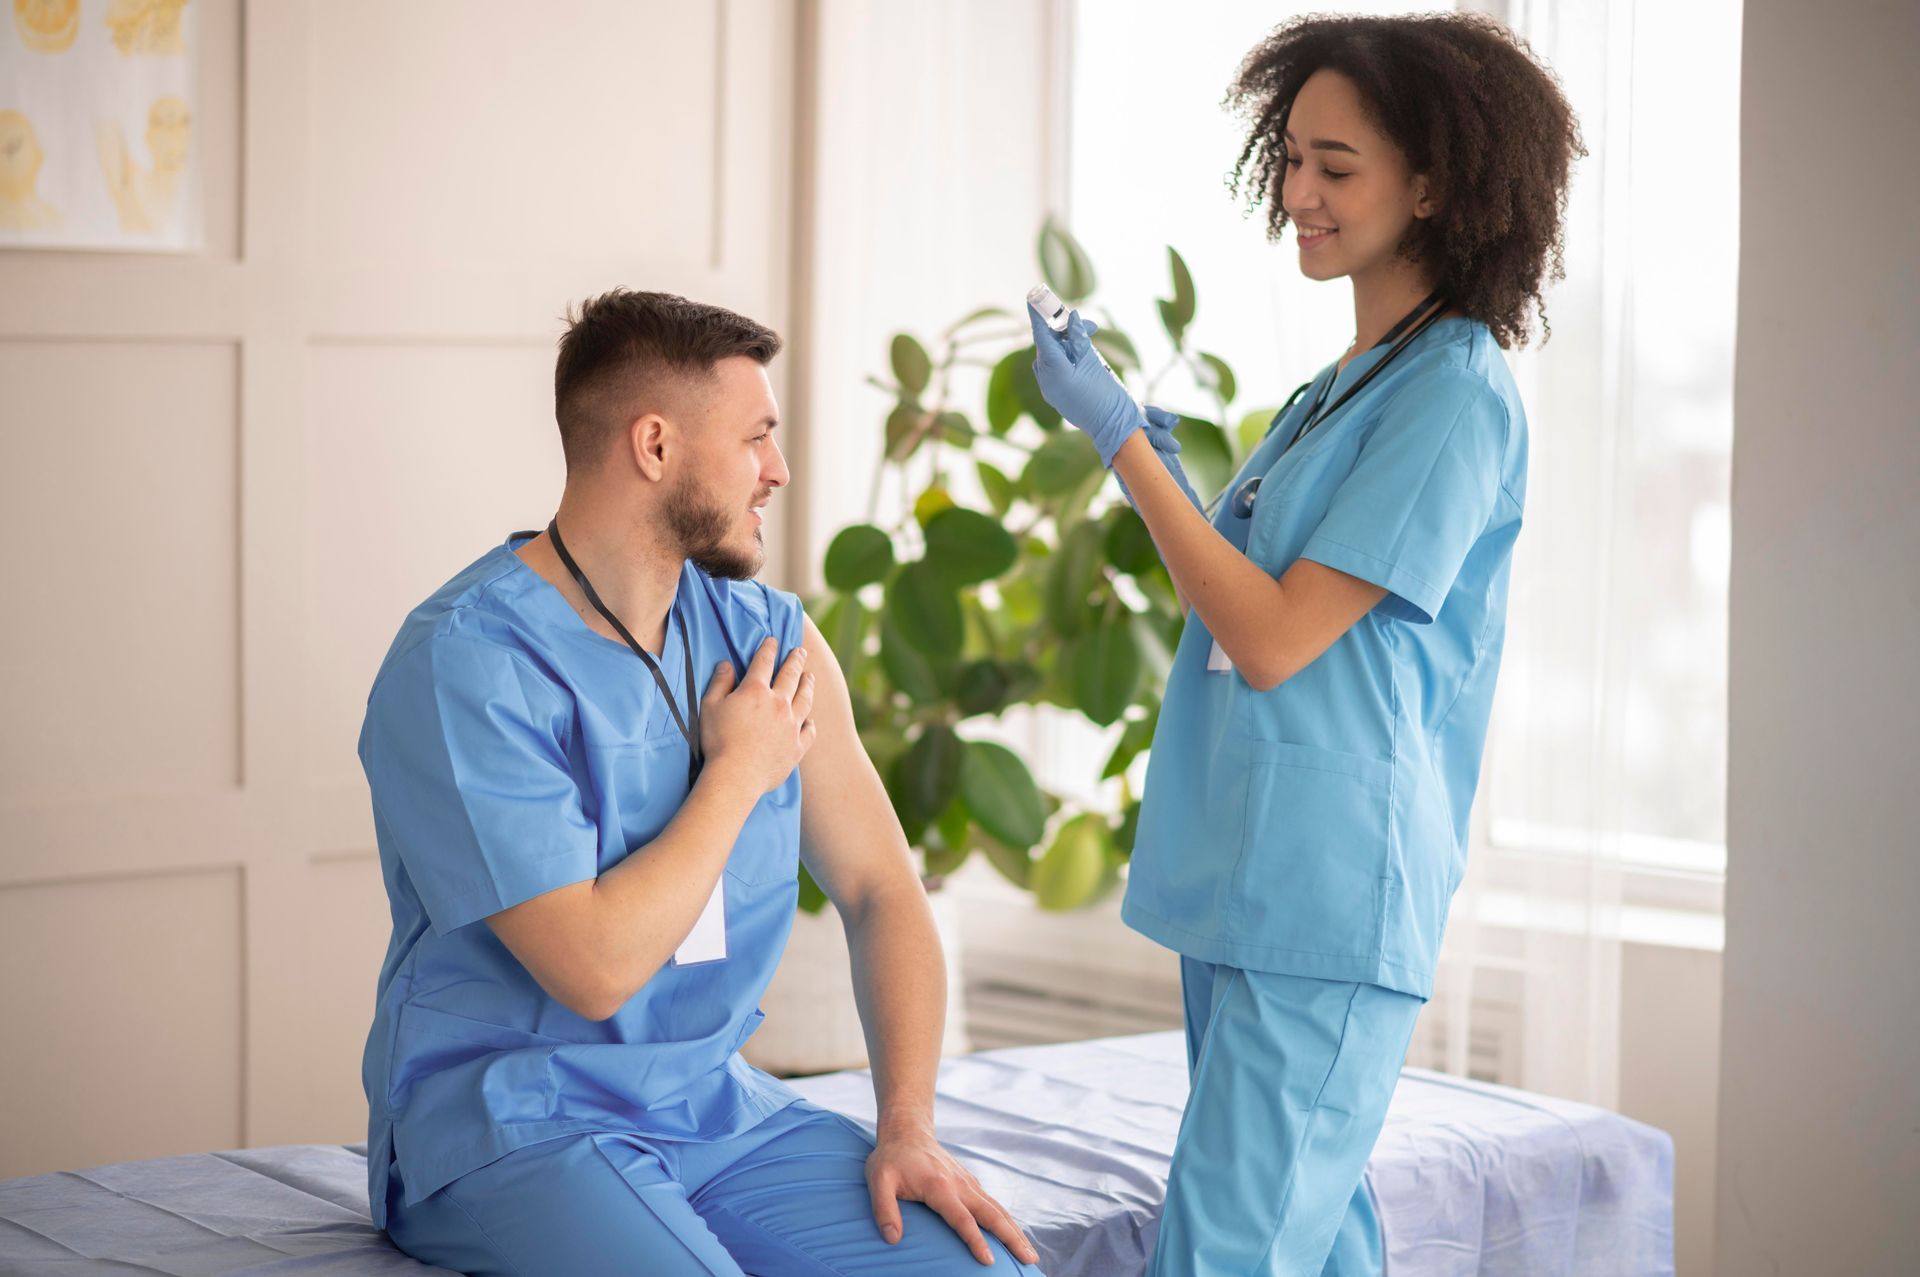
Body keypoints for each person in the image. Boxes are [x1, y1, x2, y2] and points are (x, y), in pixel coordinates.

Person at [1027, 13, 1581, 1276]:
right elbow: (1231, 605)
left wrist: (1121, 444)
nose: (1298, 195)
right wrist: (1161, 471)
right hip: (1253, 879)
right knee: (1313, 1247)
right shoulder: (1342, 385)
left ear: (1433, 185)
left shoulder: (1454, 390)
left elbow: (1273, 639)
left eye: (1338, 167)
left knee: (1222, 1254)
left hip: (1326, 895)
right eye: (1290, 160)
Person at [358, 289, 1044, 1276]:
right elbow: (592, 967)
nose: (779, 469)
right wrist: (737, 772)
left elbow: (881, 889)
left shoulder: (767, 635)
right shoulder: (468, 662)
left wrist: (907, 1124)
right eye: (756, 437)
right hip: (517, 1121)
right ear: (654, 446)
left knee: (990, 1269)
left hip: (711, 1105)